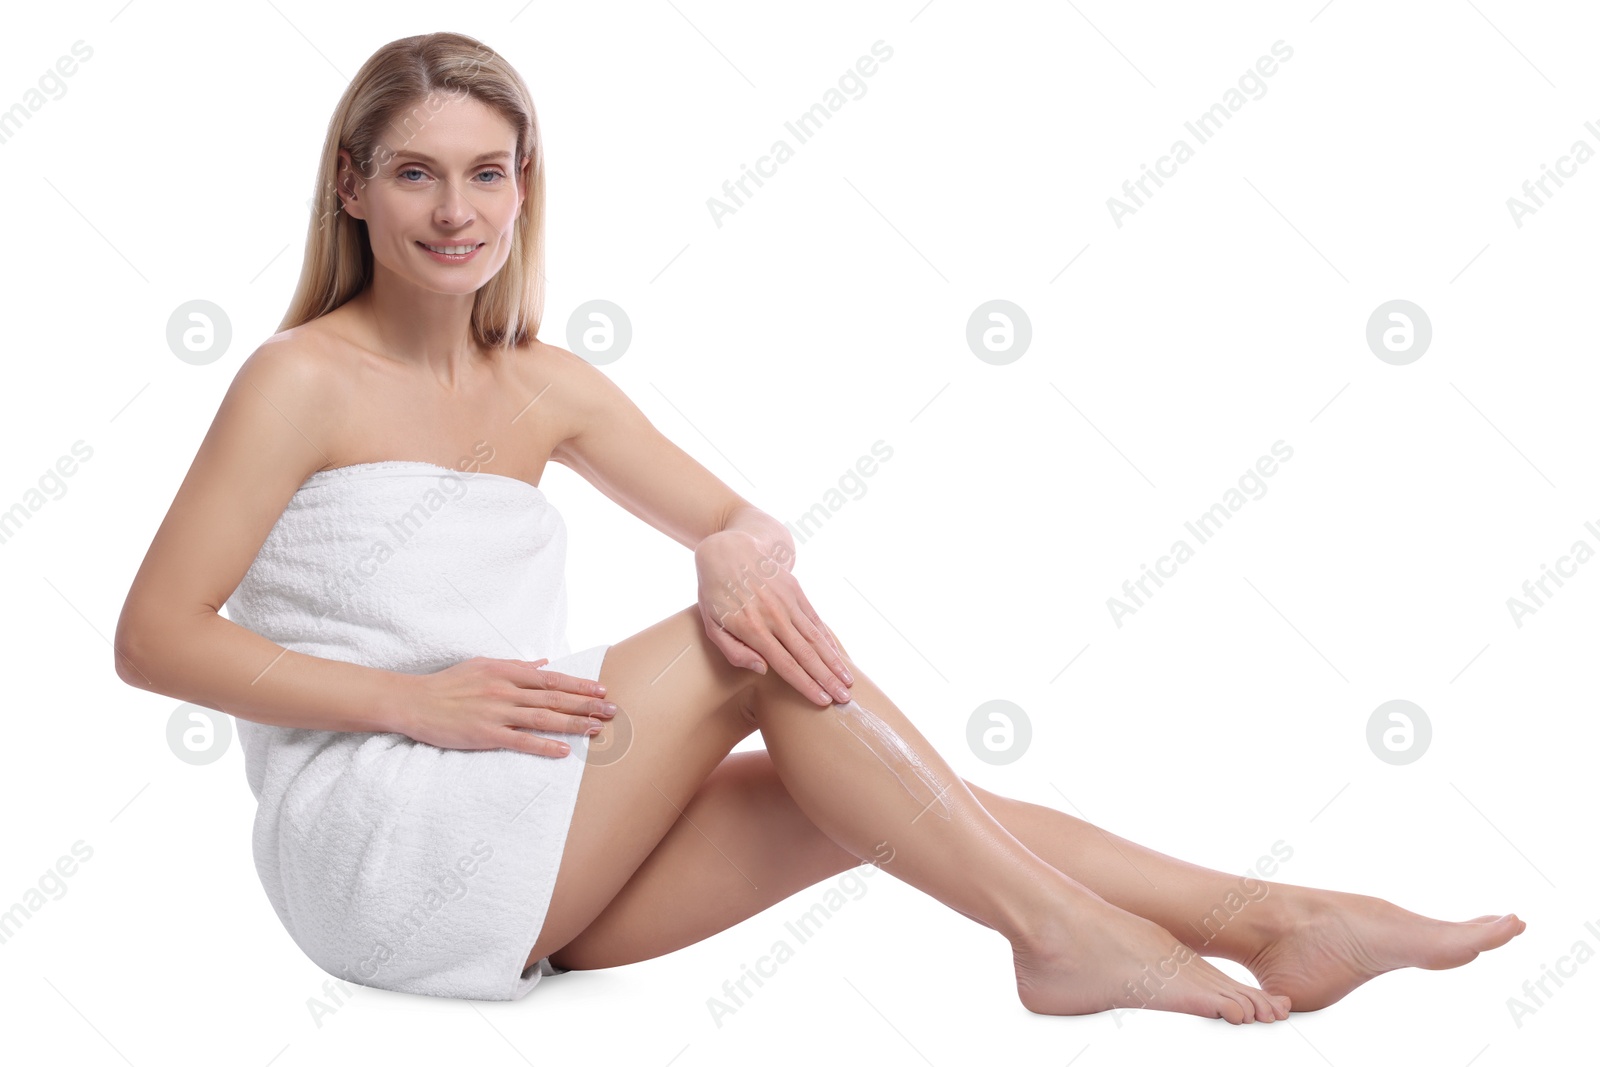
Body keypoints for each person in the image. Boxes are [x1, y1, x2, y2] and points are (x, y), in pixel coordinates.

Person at [113, 31, 1522, 1020]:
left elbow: (733, 525)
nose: (456, 208)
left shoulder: (546, 386)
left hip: (525, 832)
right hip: (378, 839)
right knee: (748, 653)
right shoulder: (300, 380)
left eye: (487, 172)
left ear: (524, 187)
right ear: (351, 186)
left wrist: (734, 538)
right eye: (415, 172)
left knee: (866, 798)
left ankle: (1271, 919)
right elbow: (152, 639)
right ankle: (1067, 939)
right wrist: (409, 704)